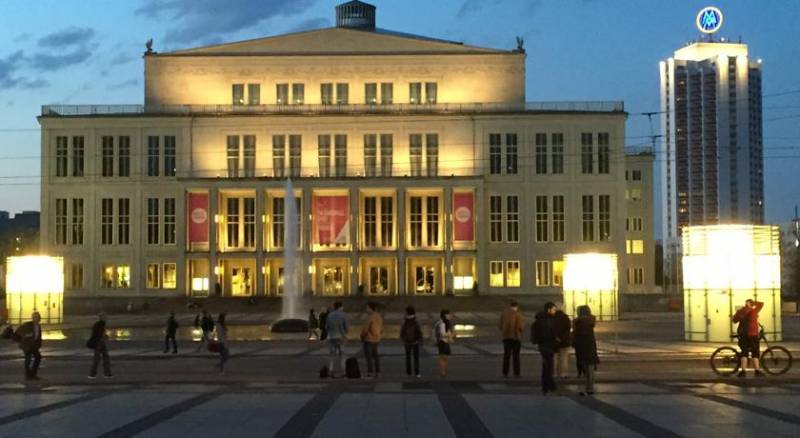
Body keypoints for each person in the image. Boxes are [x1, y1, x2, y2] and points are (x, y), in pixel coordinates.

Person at [733, 299, 765, 377]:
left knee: (744, 353)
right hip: (753, 335)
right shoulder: (754, 311)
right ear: (751, 304)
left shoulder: (740, 311)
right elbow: (761, 304)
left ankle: (743, 372)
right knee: (755, 353)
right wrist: (753, 303)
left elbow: (734, 320)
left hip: (743, 335)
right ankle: (757, 371)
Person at [573, 305, 599, 395]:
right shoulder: (591, 320)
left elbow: (575, 335)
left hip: (581, 348)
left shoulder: (577, 321)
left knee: (584, 369)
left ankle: (585, 388)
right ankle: (590, 388)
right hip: (591, 347)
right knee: (590, 369)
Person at [532, 302, 558, 394]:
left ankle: (546, 386)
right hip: (547, 345)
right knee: (548, 367)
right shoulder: (547, 320)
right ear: (549, 310)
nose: (555, 311)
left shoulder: (539, 320)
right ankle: (550, 386)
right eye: (554, 310)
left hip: (542, 346)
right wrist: (555, 339)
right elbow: (549, 333)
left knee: (546, 366)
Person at [15, 311, 43, 380]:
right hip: (27, 345)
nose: (35, 319)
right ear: (32, 318)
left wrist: (39, 344)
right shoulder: (27, 325)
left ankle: (33, 374)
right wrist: (24, 337)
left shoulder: (38, 326)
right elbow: (19, 332)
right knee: (28, 359)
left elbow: (38, 336)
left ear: (39, 319)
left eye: (37, 317)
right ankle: (28, 375)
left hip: (34, 345)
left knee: (38, 357)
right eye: (34, 317)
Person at [500, 301, 524, 378]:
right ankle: (516, 373)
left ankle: (505, 372)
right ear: (517, 307)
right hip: (515, 338)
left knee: (506, 356)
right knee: (516, 356)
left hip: (506, 337)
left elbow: (500, 325)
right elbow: (521, 326)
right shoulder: (518, 314)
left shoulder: (504, 314)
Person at [360, 302, 383, 379]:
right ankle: (378, 372)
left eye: (367, 308)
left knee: (369, 357)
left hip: (369, 339)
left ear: (370, 308)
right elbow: (381, 328)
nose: (366, 309)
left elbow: (366, 328)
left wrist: (362, 336)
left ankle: (370, 372)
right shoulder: (379, 316)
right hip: (376, 338)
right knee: (376, 356)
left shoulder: (370, 317)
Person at [325, 302, 348, 378]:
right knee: (342, 355)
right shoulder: (343, 315)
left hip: (331, 337)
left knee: (332, 355)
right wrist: (345, 333)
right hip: (340, 337)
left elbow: (326, 327)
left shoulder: (330, 315)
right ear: (340, 307)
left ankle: (331, 370)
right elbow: (346, 327)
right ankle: (343, 371)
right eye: (342, 307)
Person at [400, 305, 423, 378]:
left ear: (407, 312)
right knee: (416, 358)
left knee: (408, 358)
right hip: (415, 342)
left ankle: (409, 373)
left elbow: (402, 331)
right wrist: (420, 340)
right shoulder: (416, 320)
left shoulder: (404, 320)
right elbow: (419, 331)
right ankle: (417, 373)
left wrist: (403, 339)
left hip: (407, 342)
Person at [88, 312, 112, 379]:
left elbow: (97, 333)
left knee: (102, 358)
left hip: (100, 343)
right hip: (98, 343)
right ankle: (94, 374)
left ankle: (96, 374)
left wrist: (105, 336)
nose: (106, 318)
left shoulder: (99, 324)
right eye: (105, 317)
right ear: (101, 317)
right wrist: (105, 336)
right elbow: (98, 333)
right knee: (99, 359)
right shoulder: (99, 324)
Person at [553, 305, 572, 379]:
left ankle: (554, 373)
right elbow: (568, 328)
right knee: (564, 358)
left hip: (555, 340)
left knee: (554, 358)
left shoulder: (552, 317)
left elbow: (551, 328)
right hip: (565, 341)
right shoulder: (566, 317)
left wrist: (556, 336)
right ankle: (563, 374)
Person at [434, 309, 454, 378]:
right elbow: (441, 334)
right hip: (442, 342)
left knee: (445, 358)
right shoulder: (441, 323)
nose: (450, 316)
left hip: (445, 342)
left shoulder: (446, 323)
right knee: (443, 357)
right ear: (445, 315)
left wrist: (451, 335)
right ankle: (443, 372)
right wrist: (449, 335)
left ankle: (444, 371)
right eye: (448, 314)